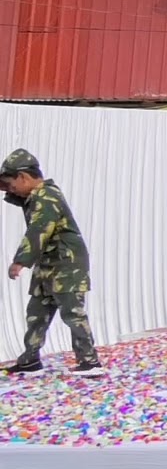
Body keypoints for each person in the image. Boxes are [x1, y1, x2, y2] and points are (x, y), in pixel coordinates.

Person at [0, 149, 104, 377]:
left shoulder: (47, 196)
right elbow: (20, 198)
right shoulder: (36, 196)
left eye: (11, 184)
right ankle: (29, 360)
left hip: (67, 263)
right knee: (36, 312)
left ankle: (89, 361)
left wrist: (20, 261)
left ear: (24, 177)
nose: (10, 190)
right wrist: (6, 187)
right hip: (48, 263)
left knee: (72, 313)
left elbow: (39, 229)